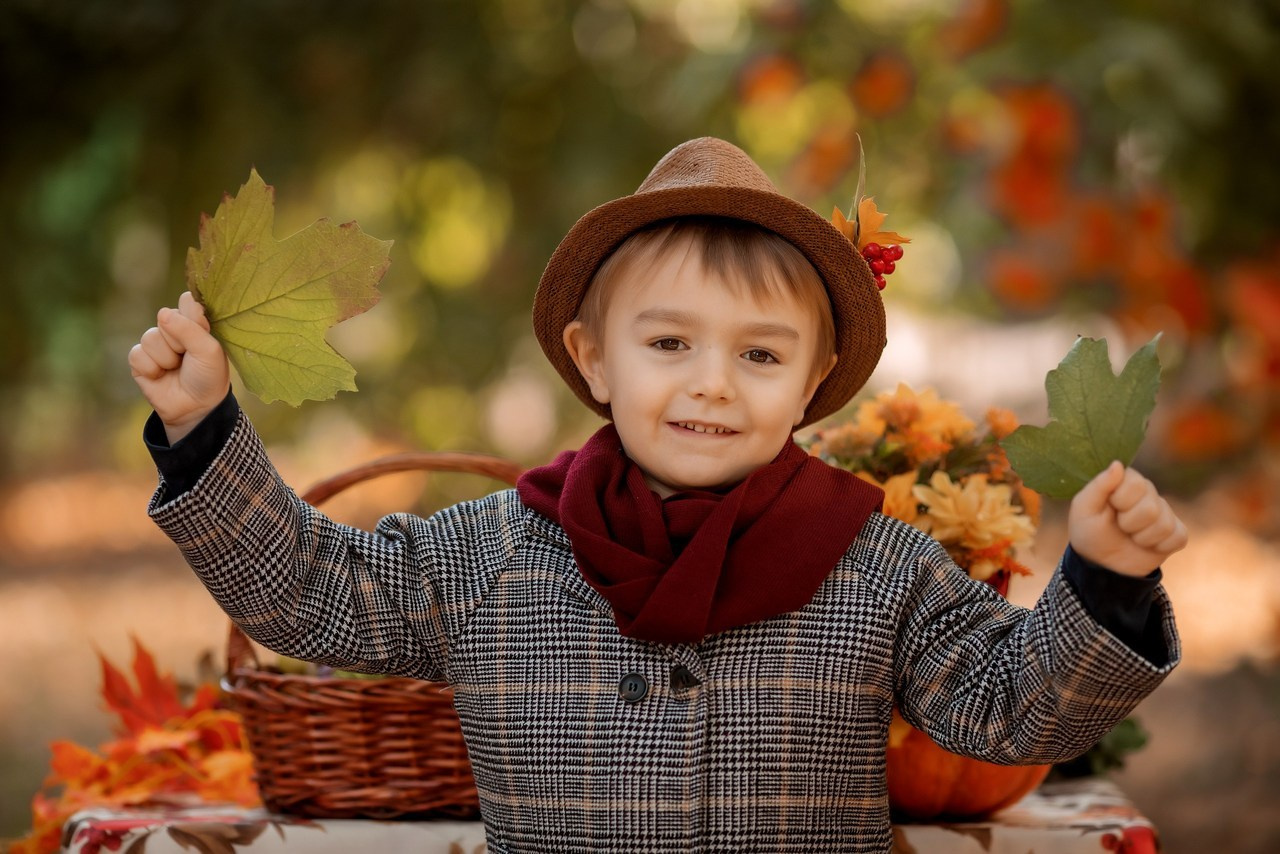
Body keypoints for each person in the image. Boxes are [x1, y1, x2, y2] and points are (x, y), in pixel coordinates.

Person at [129, 137, 1187, 853]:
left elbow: (1009, 707)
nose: (710, 382)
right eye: (668, 341)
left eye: (759, 353)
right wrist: (202, 426)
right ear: (593, 359)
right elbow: (313, 590)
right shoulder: (491, 552)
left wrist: (1106, 578)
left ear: (812, 380)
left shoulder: (875, 565)